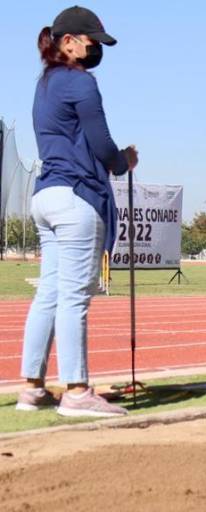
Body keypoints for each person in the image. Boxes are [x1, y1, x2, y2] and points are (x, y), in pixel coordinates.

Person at [16, 6, 137, 417]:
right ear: (68, 42)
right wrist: (124, 162)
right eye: (91, 42)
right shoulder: (81, 84)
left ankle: (31, 387)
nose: (95, 50)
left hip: (46, 196)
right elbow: (102, 144)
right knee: (73, 297)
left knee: (48, 293)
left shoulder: (44, 83)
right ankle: (77, 390)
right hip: (76, 198)